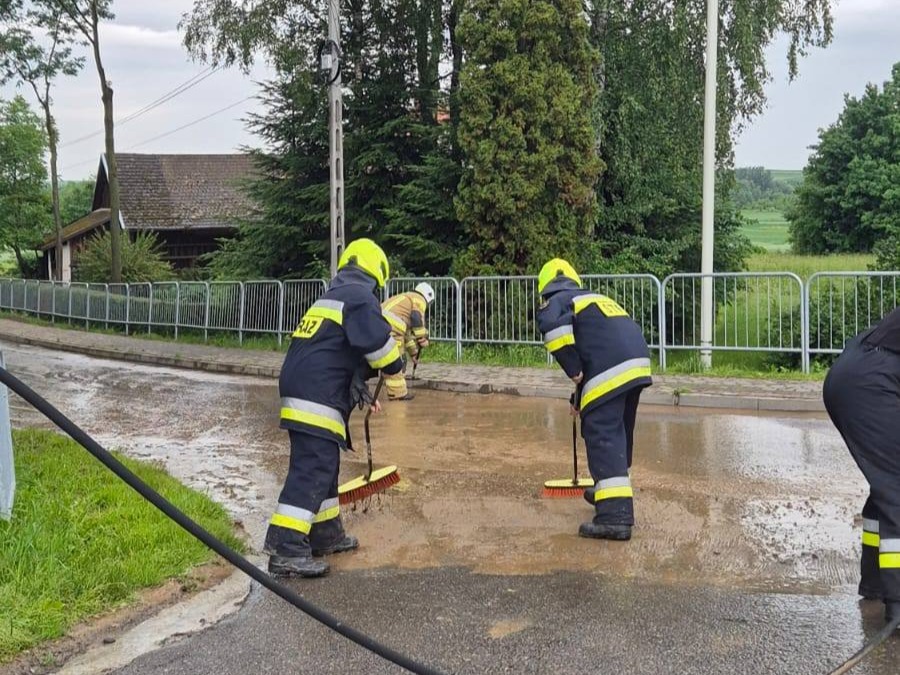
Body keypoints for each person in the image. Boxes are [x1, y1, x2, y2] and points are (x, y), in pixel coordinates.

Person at [263, 239, 404, 578]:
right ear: (378, 274)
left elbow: (340, 351)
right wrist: (396, 364)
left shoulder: (333, 296)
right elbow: (380, 350)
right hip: (315, 393)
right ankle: (286, 547)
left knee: (324, 466)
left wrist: (361, 385)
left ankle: (326, 534)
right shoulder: (358, 296)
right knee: (311, 469)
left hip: (307, 387)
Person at [536, 258, 652, 541]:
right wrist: (579, 396)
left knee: (602, 434)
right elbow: (599, 346)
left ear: (544, 288)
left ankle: (615, 516)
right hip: (636, 364)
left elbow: (553, 330)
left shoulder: (556, 301)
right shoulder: (593, 299)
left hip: (609, 367)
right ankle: (607, 490)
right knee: (617, 432)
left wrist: (573, 369)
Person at [823, 305, 900, 625]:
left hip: (856, 372)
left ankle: (876, 583)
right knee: (897, 487)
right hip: (870, 381)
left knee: (886, 485)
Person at [381, 282, 435, 401]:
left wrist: (414, 353)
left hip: (379, 325)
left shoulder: (406, 298)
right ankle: (397, 393)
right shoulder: (419, 299)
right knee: (397, 360)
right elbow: (416, 318)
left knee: (382, 357)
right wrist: (422, 337)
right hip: (392, 329)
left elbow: (407, 335)